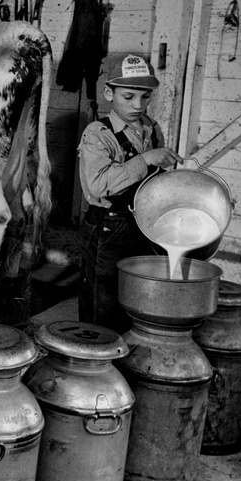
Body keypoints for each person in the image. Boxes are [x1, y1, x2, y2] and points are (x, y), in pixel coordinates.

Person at [77, 55, 183, 333]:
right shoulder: (98, 133)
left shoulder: (151, 128)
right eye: (128, 96)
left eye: (145, 97)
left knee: (137, 298)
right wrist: (147, 159)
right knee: (103, 302)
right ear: (109, 94)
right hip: (109, 226)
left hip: (144, 224)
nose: (138, 105)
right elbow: (98, 185)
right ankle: (95, 366)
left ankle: (126, 364)